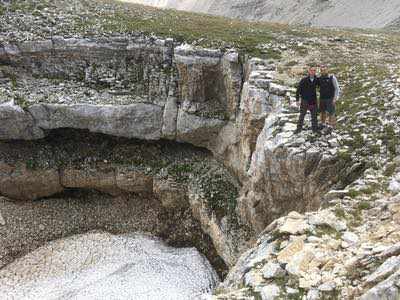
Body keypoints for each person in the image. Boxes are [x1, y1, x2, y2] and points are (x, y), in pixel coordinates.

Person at [294, 66, 319, 134]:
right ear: (309, 71)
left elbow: (322, 86)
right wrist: (297, 100)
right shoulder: (304, 80)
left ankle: (315, 129)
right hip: (305, 100)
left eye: (314, 70)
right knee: (302, 114)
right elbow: (298, 90)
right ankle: (298, 129)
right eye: (311, 70)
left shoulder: (316, 79)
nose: (313, 72)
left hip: (313, 100)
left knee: (314, 115)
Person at [319, 65, 340, 129]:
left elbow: (337, 88)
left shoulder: (332, 77)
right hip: (322, 98)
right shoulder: (320, 78)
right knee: (323, 111)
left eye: (324, 70)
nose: (323, 71)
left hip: (330, 98)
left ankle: (331, 125)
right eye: (322, 70)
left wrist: (335, 98)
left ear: (327, 70)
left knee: (331, 112)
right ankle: (323, 123)